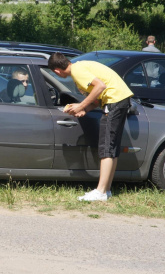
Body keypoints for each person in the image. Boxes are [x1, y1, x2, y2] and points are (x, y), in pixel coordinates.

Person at [48, 52, 134, 201]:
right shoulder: (80, 66)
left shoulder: (77, 71)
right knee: (111, 148)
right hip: (119, 100)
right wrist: (84, 109)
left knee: (106, 147)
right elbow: (96, 98)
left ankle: (100, 192)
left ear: (57, 71)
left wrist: (80, 105)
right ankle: (106, 190)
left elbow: (100, 86)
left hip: (114, 101)